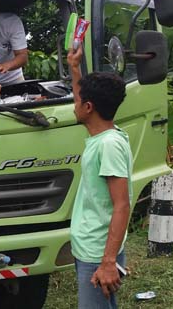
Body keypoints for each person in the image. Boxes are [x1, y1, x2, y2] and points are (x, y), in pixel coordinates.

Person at [67, 46, 132, 309]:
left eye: (77, 100)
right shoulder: (102, 134)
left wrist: (107, 262)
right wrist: (74, 67)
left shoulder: (108, 145)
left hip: (98, 252)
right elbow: (82, 96)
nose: (74, 104)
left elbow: (122, 204)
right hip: (92, 247)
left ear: (89, 107)